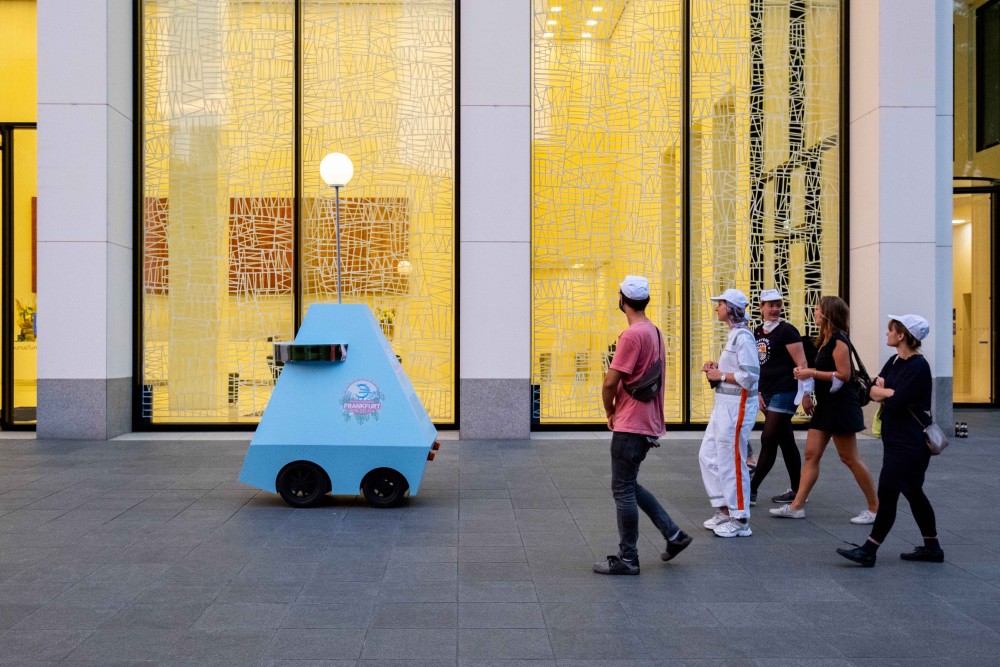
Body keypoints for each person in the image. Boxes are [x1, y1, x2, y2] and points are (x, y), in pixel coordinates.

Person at [593, 275, 691, 575]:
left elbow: (611, 381)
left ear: (622, 300)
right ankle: (673, 534)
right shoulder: (654, 331)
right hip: (647, 420)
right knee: (630, 484)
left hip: (631, 422)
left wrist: (609, 410)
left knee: (621, 489)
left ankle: (628, 557)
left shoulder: (632, 335)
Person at [837, 314, 942, 567]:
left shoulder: (918, 366)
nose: (887, 334)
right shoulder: (895, 360)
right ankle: (932, 547)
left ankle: (869, 550)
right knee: (914, 492)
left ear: (902, 335)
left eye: (890, 330)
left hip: (911, 441)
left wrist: (884, 392)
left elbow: (897, 399)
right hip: (895, 437)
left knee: (888, 492)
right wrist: (884, 391)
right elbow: (871, 390)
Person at [770, 296, 879, 523]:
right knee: (811, 454)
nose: (815, 312)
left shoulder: (839, 340)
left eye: (818, 309)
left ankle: (876, 508)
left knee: (849, 458)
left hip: (841, 407)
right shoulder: (826, 339)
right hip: (827, 406)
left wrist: (810, 372)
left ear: (828, 313)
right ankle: (797, 506)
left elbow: (844, 375)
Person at [700, 288, 760, 538]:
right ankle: (725, 509)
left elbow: (751, 375)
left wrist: (720, 374)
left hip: (737, 408)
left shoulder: (743, 337)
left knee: (732, 461)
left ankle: (740, 517)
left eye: (720, 304)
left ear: (731, 308)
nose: (717, 308)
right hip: (724, 407)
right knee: (709, 455)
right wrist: (718, 370)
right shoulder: (735, 335)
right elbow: (738, 372)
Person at [749, 289, 814, 506]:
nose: (775, 309)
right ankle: (798, 490)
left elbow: (802, 364)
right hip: (766, 392)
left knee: (768, 439)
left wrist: (805, 394)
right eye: (770, 305)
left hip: (785, 392)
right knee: (786, 442)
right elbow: (757, 366)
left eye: (778, 304)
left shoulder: (787, 331)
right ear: (761, 307)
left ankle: (751, 489)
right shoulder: (758, 332)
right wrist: (757, 392)